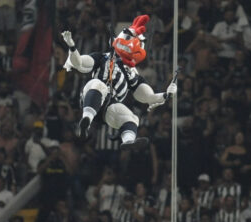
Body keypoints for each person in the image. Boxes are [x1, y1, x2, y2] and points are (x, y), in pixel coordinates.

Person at [61, 15, 177, 150]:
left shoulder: (132, 73)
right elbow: (79, 63)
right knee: (99, 85)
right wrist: (72, 47)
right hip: (92, 96)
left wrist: (166, 94)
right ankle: (86, 118)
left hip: (109, 106)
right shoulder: (102, 57)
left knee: (132, 117)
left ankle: (128, 141)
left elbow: (148, 97)